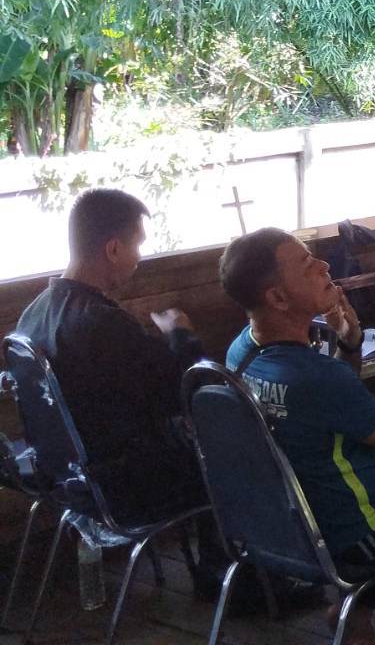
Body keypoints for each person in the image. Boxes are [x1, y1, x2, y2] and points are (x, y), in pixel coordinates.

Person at [221, 228, 375, 645]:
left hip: (300, 524)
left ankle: (352, 613)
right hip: (368, 523)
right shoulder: (313, 376)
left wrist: (350, 342)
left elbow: (329, 405)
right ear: (278, 298)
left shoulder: (241, 352)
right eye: (307, 264)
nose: (323, 266)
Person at [11, 189, 228, 597]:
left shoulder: (33, 314)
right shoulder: (102, 324)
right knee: (224, 453)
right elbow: (186, 391)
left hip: (63, 477)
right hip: (121, 486)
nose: (139, 258)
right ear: (113, 248)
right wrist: (181, 335)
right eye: (137, 245)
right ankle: (230, 581)